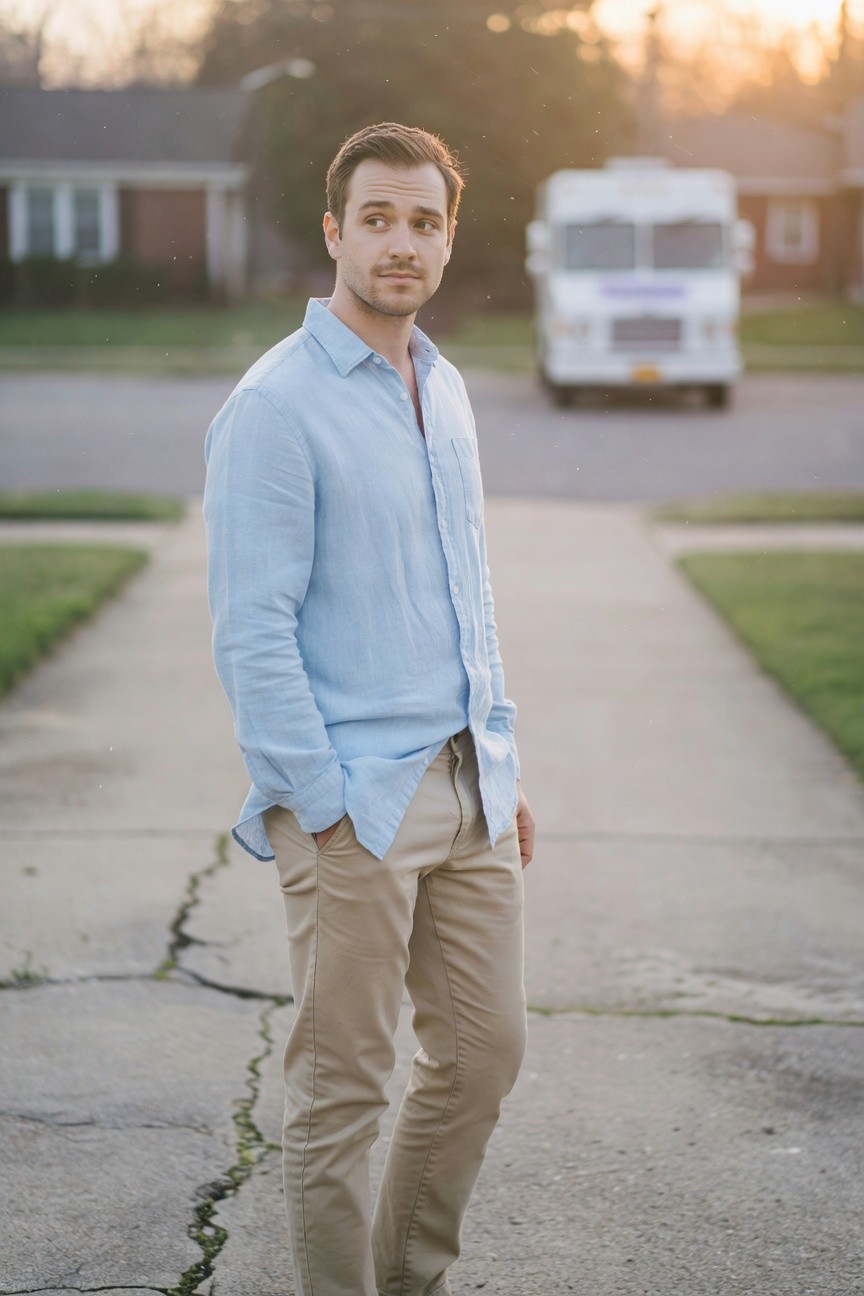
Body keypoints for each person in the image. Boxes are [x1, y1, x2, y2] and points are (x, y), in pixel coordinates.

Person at [204, 121, 535, 1296]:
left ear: (449, 240)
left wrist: (504, 764)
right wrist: (321, 804)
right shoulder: (276, 404)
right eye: (378, 219)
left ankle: (409, 1280)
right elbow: (251, 629)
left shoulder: (444, 387)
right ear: (335, 233)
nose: (403, 243)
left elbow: (467, 593)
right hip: (353, 800)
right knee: (343, 1090)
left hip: (467, 784)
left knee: (485, 1056)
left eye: (425, 222)